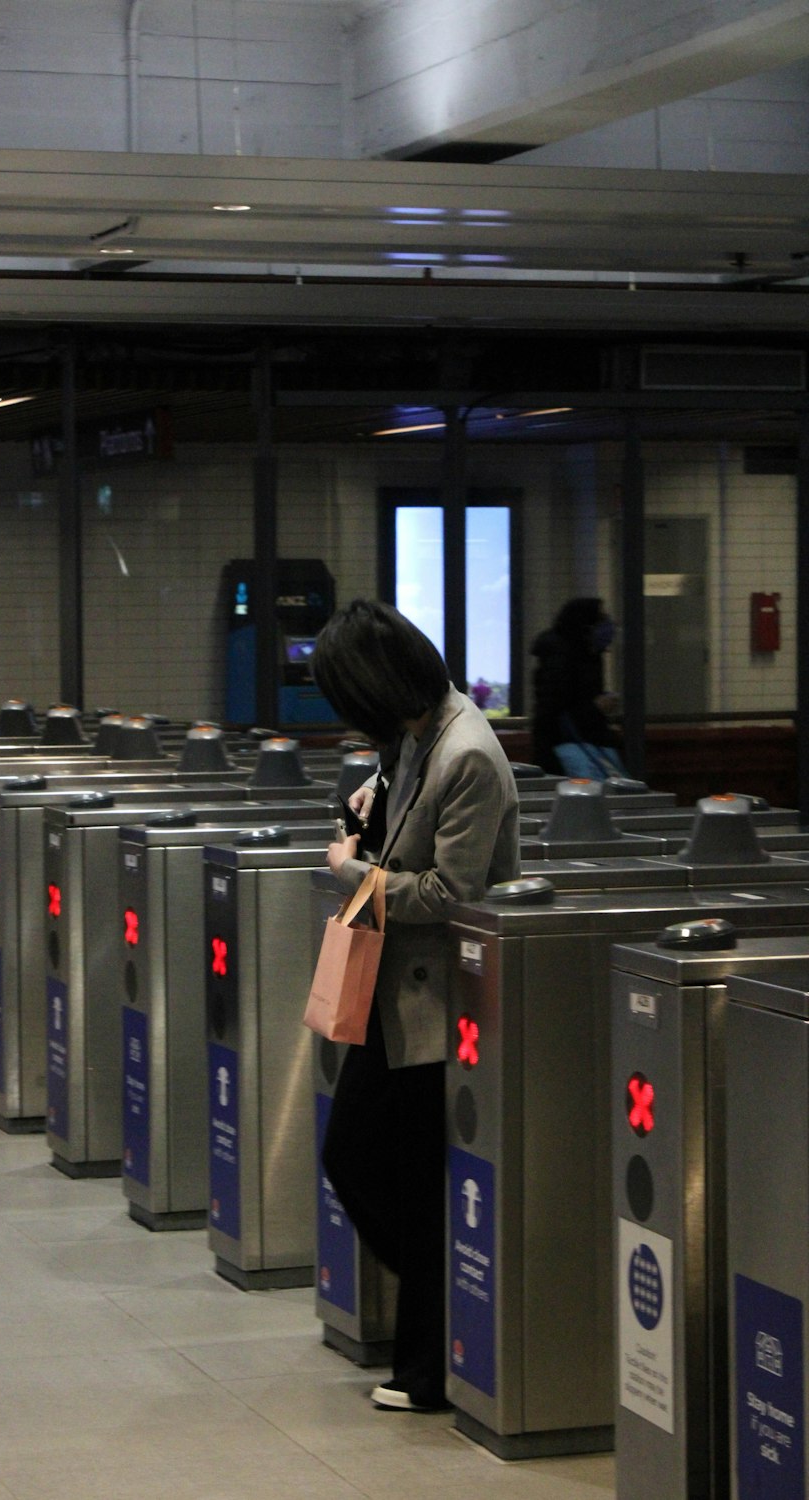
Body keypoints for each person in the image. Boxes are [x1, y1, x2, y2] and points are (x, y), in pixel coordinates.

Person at [311, 599, 520, 1413]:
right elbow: (406, 826)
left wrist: (351, 873)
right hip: (393, 998)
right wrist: (369, 805)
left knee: (380, 1167)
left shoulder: (466, 754)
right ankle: (430, 1344)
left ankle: (433, 1357)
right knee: (369, 1163)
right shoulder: (415, 736)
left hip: (438, 1005)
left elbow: (452, 890)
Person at [530, 597, 626, 779]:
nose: (607, 625)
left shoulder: (586, 654)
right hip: (564, 752)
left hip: (573, 745)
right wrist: (596, 707)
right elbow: (556, 707)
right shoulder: (561, 655)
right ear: (586, 623)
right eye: (601, 618)